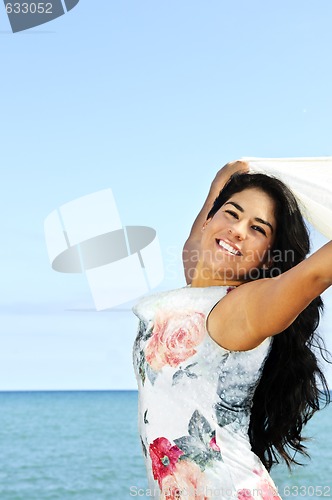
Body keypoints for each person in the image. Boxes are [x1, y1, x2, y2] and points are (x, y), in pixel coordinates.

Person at [132, 160, 331, 500]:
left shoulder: (244, 308)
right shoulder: (197, 277)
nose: (238, 230)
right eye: (232, 213)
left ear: (268, 259)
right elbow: (219, 191)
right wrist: (242, 167)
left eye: (258, 229)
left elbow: (316, 273)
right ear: (210, 219)